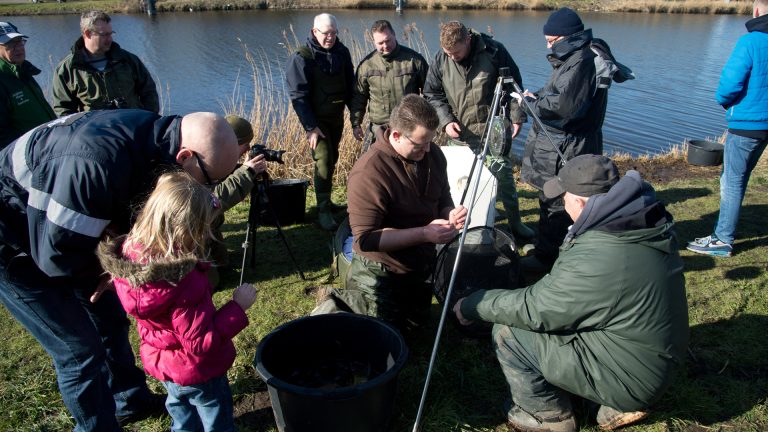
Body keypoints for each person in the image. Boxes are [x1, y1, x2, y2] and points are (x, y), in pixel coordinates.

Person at [0, 110, 240, 431]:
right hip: (14, 241)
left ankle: (130, 400)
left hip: (61, 232)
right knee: (79, 350)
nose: (211, 192)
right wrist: (113, 270)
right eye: (211, 182)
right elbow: (57, 256)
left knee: (111, 318)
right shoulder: (96, 164)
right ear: (185, 156)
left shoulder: (156, 141)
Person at [454, 154, 689, 432]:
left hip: (633, 377)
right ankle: (606, 404)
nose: (563, 204)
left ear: (578, 201)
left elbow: (537, 309)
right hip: (653, 357)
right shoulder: (640, 220)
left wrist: (473, 304)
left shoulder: (602, 252)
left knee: (509, 333)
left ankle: (548, 417)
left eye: (563, 198)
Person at [97, 171, 258, 432]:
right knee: (215, 414)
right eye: (203, 229)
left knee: (181, 409)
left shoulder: (132, 258)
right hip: (199, 370)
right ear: (187, 232)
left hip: (166, 364)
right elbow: (200, 343)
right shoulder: (184, 283)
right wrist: (237, 307)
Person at [315, 94, 467, 331]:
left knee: (417, 329)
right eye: (419, 144)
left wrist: (450, 214)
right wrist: (425, 234)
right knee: (383, 340)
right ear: (396, 135)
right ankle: (338, 302)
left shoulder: (433, 154)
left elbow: (443, 197)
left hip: (420, 265)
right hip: (380, 270)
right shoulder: (369, 172)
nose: (427, 150)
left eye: (430, 141)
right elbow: (366, 239)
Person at [423, 21, 533, 241]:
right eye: (448, 53)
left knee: (504, 180)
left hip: (493, 132)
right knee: (459, 182)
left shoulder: (495, 51)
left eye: (456, 52)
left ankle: (516, 224)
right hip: (460, 134)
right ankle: (463, 224)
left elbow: (514, 86)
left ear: (468, 40)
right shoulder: (440, 59)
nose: (453, 57)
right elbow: (432, 93)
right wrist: (445, 121)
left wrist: (517, 116)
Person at [518, 8, 609, 272]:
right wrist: (535, 97)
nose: (547, 45)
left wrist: (529, 104)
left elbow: (565, 108)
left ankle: (547, 260)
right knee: (553, 198)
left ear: (568, 36)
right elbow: (555, 95)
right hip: (565, 142)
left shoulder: (582, 61)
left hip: (568, 146)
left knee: (559, 199)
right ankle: (549, 250)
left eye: (551, 40)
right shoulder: (573, 58)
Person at [687, 0, 768, 257]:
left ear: (756, 11)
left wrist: (725, 102)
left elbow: (729, 85)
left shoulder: (750, 41)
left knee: (732, 180)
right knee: (741, 176)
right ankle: (725, 231)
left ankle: (722, 239)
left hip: (747, 125)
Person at [285, 13, 354, 231]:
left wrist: (356, 117)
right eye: (326, 33)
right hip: (316, 122)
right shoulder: (301, 57)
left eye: (334, 33)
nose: (330, 37)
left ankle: (327, 200)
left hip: (336, 118)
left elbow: (351, 86)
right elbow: (298, 96)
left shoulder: (342, 52)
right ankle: (322, 210)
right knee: (323, 159)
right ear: (315, 31)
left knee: (333, 158)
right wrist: (310, 127)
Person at [52, 10, 159, 116]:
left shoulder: (128, 60)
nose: (109, 39)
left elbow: (149, 93)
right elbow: (63, 110)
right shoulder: (68, 69)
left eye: (111, 33)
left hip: (132, 129)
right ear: (87, 33)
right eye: (104, 35)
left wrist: (147, 121)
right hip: (94, 132)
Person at [350, 19, 428, 152]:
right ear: (373, 42)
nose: (385, 46)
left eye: (388, 41)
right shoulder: (366, 65)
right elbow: (359, 97)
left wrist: (426, 121)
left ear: (394, 35)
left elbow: (430, 92)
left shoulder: (414, 60)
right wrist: (356, 123)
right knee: (370, 166)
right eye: (380, 43)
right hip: (379, 129)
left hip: (408, 126)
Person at [207, 115, 267, 285]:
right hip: (187, 228)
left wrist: (246, 169)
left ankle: (213, 254)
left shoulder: (211, 153)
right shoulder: (197, 162)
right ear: (230, 142)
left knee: (222, 262)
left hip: (204, 224)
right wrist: (246, 173)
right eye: (245, 144)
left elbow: (220, 178)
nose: (248, 149)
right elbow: (212, 201)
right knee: (211, 282)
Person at [0, 21, 56, 150]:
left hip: (49, 148)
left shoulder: (23, 70)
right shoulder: (3, 79)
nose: (19, 47)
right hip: (28, 158)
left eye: (20, 41)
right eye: (10, 44)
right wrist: (32, 152)